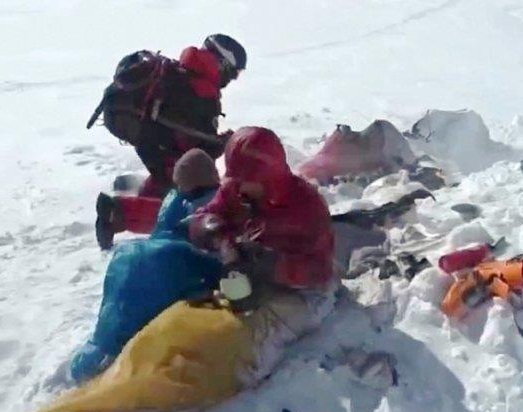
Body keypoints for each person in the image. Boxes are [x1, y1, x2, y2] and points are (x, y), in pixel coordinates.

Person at [190, 126, 337, 382]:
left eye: (245, 179)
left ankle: (234, 381)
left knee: (248, 343)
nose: (238, 186)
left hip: (305, 293)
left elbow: (320, 271)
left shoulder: (306, 206)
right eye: (235, 179)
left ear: (267, 176)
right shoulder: (237, 191)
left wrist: (271, 266)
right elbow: (205, 217)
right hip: (252, 285)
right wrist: (214, 231)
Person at [70, 150, 223, 383]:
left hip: (135, 256)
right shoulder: (211, 201)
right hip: (173, 260)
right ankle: (119, 357)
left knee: (122, 307)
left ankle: (99, 352)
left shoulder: (173, 198)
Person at [96, 34, 247, 250]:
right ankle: (118, 213)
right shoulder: (202, 89)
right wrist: (222, 144)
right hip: (157, 141)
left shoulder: (180, 71)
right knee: (190, 206)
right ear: (223, 64)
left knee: (166, 176)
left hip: (147, 138)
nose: (231, 80)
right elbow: (199, 155)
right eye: (233, 73)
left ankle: (141, 200)